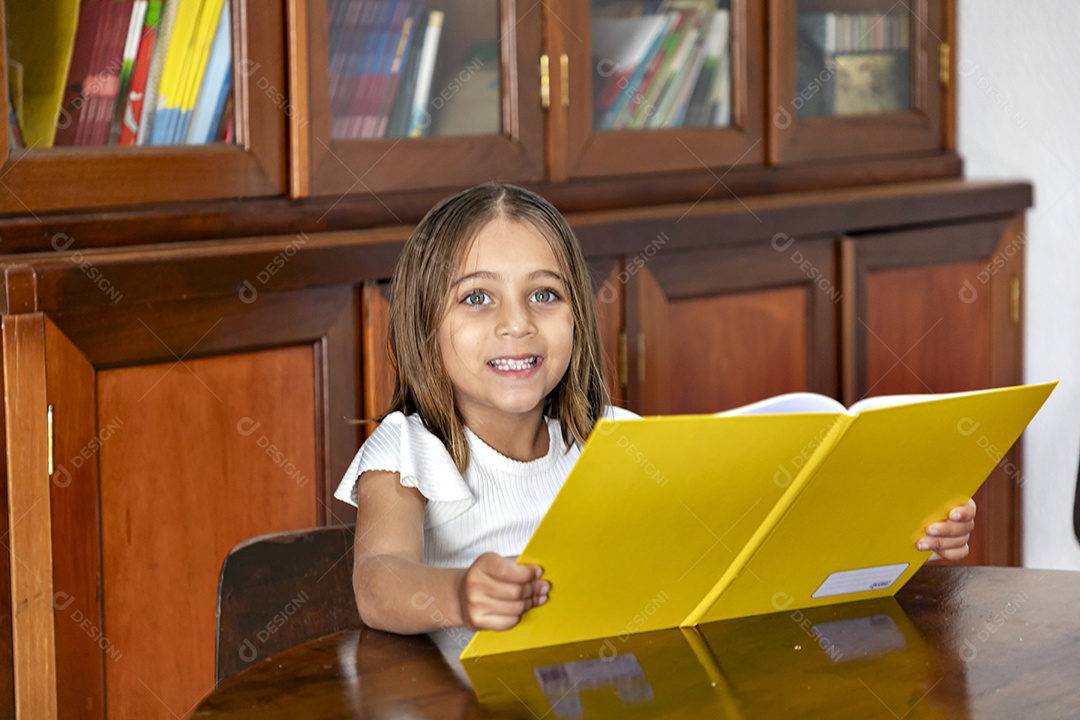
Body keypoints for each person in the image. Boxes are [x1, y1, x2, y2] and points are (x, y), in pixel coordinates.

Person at [333, 182, 977, 658]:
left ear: (577, 317)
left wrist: (909, 529)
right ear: (424, 326)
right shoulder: (411, 448)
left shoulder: (613, 436)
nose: (517, 323)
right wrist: (460, 596)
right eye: (477, 297)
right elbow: (377, 582)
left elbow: (735, 558)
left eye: (544, 294)